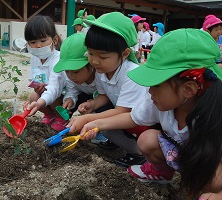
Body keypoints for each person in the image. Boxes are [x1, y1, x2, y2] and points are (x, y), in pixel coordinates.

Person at [72, 28, 222, 199]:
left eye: (155, 85)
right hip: (183, 153)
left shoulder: (214, 113)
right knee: (147, 140)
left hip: (205, 159)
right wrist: (96, 124)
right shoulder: (158, 102)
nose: (149, 91)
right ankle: (163, 173)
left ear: (188, 89)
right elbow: (131, 117)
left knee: (215, 180)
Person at [66, 12, 150, 167]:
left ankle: (139, 153)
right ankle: (117, 142)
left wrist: (87, 119)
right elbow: (105, 95)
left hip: (141, 123)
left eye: (103, 57)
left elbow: (122, 112)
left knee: (102, 124)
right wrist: (93, 105)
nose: (95, 61)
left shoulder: (131, 74)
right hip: (124, 114)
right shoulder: (102, 70)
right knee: (98, 117)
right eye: (91, 53)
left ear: (124, 54)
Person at [53, 32, 114, 143]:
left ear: (91, 65)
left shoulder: (100, 76)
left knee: (103, 107)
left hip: (101, 99)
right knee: (69, 104)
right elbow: (71, 90)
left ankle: (103, 132)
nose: (71, 76)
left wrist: (93, 103)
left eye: (76, 71)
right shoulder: (71, 78)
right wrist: (70, 99)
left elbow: (105, 95)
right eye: (67, 71)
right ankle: (66, 122)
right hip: (85, 97)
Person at [24, 15, 68, 132]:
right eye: (33, 42)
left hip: (63, 96)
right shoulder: (35, 58)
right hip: (47, 94)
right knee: (33, 97)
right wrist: (37, 88)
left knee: (53, 98)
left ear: (54, 40)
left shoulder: (57, 59)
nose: (38, 45)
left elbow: (55, 89)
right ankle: (50, 115)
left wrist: (40, 101)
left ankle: (61, 118)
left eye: (43, 41)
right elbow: (36, 79)